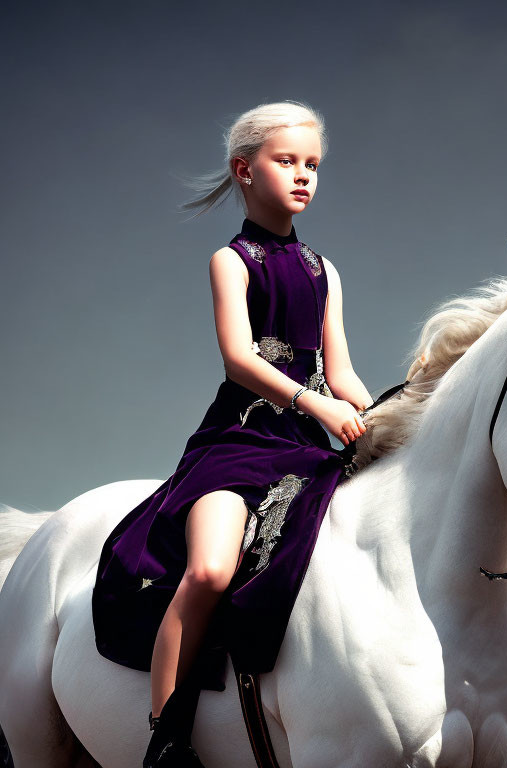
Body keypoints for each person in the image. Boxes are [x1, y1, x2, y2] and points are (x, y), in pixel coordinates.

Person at [90, 100, 374, 767]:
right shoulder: (232, 260)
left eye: (312, 165)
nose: (303, 176)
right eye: (287, 162)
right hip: (238, 446)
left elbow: (344, 371)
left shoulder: (323, 271)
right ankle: (165, 734)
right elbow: (240, 361)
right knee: (212, 569)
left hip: (306, 449)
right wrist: (317, 402)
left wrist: (384, 414)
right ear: (244, 171)